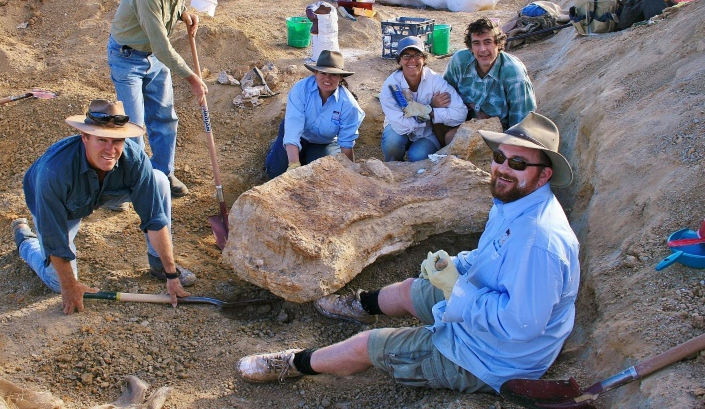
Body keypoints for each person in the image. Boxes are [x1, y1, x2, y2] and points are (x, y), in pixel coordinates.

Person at [238, 112, 579, 396]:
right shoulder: (514, 202)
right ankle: (359, 307)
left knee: (368, 346)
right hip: (482, 320)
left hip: (491, 359)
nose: (503, 168)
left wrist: (455, 289)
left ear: (544, 174)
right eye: (499, 157)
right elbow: (490, 258)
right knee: (407, 290)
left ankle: (293, 363)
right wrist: (454, 265)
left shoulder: (539, 241)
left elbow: (520, 325)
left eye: (518, 163)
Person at [12, 99, 195, 315]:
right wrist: (69, 286)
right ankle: (26, 241)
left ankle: (158, 264)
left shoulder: (134, 159)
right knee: (57, 282)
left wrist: (171, 274)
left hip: (107, 192)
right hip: (65, 206)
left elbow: (154, 218)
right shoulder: (54, 173)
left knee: (159, 180)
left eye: (117, 141)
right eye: (102, 140)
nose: (110, 149)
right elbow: (55, 239)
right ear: (85, 137)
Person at [108, 0, 213, 197]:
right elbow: (162, 45)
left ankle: (163, 174)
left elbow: (174, 6)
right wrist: (192, 79)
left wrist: (185, 15)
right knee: (133, 126)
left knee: (165, 117)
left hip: (154, 58)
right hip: (127, 57)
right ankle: (130, 185)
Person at [265, 50, 365, 179]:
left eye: (333, 75)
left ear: (341, 78)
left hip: (324, 142)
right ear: (315, 73)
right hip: (299, 134)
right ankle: (278, 147)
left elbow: (346, 142)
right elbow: (293, 128)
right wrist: (293, 165)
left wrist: (350, 173)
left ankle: (305, 155)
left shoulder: (349, 105)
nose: (327, 78)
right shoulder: (301, 90)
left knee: (324, 175)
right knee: (276, 173)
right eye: (323, 73)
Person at [442, 17, 536, 145]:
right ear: (470, 47)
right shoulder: (460, 60)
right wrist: (473, 106)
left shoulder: (514, 74)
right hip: (467, 121)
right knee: (443, 128)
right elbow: (446, 92)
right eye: (476, 43)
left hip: (502, 133)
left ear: (498, 44)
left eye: (487, 42)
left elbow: (522, 124)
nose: (482, 49)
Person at [379, 36, 467, 161]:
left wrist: (429, 112)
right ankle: (393, 166)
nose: (412, 60)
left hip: (426, 133)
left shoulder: (435, 81)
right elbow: (401, 126)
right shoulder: (391, 86)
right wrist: (430, 108)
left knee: (418, 156)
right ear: (399, 61)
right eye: (406, 56)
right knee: (392, 142)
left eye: (417, 55)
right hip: (398, 130)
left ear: (424, 59)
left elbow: (461, 113)